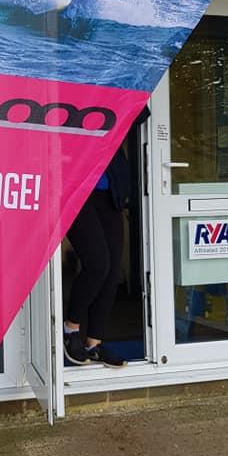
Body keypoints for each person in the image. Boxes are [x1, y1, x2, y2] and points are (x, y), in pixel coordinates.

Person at [63, 107, 150, 369]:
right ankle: (71, 330)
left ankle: (94, 343)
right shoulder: (68, 93)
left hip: (110, 193)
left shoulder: (112, 91)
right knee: (98, 264)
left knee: (111, 272)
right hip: (76, 192)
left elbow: (140, 113)